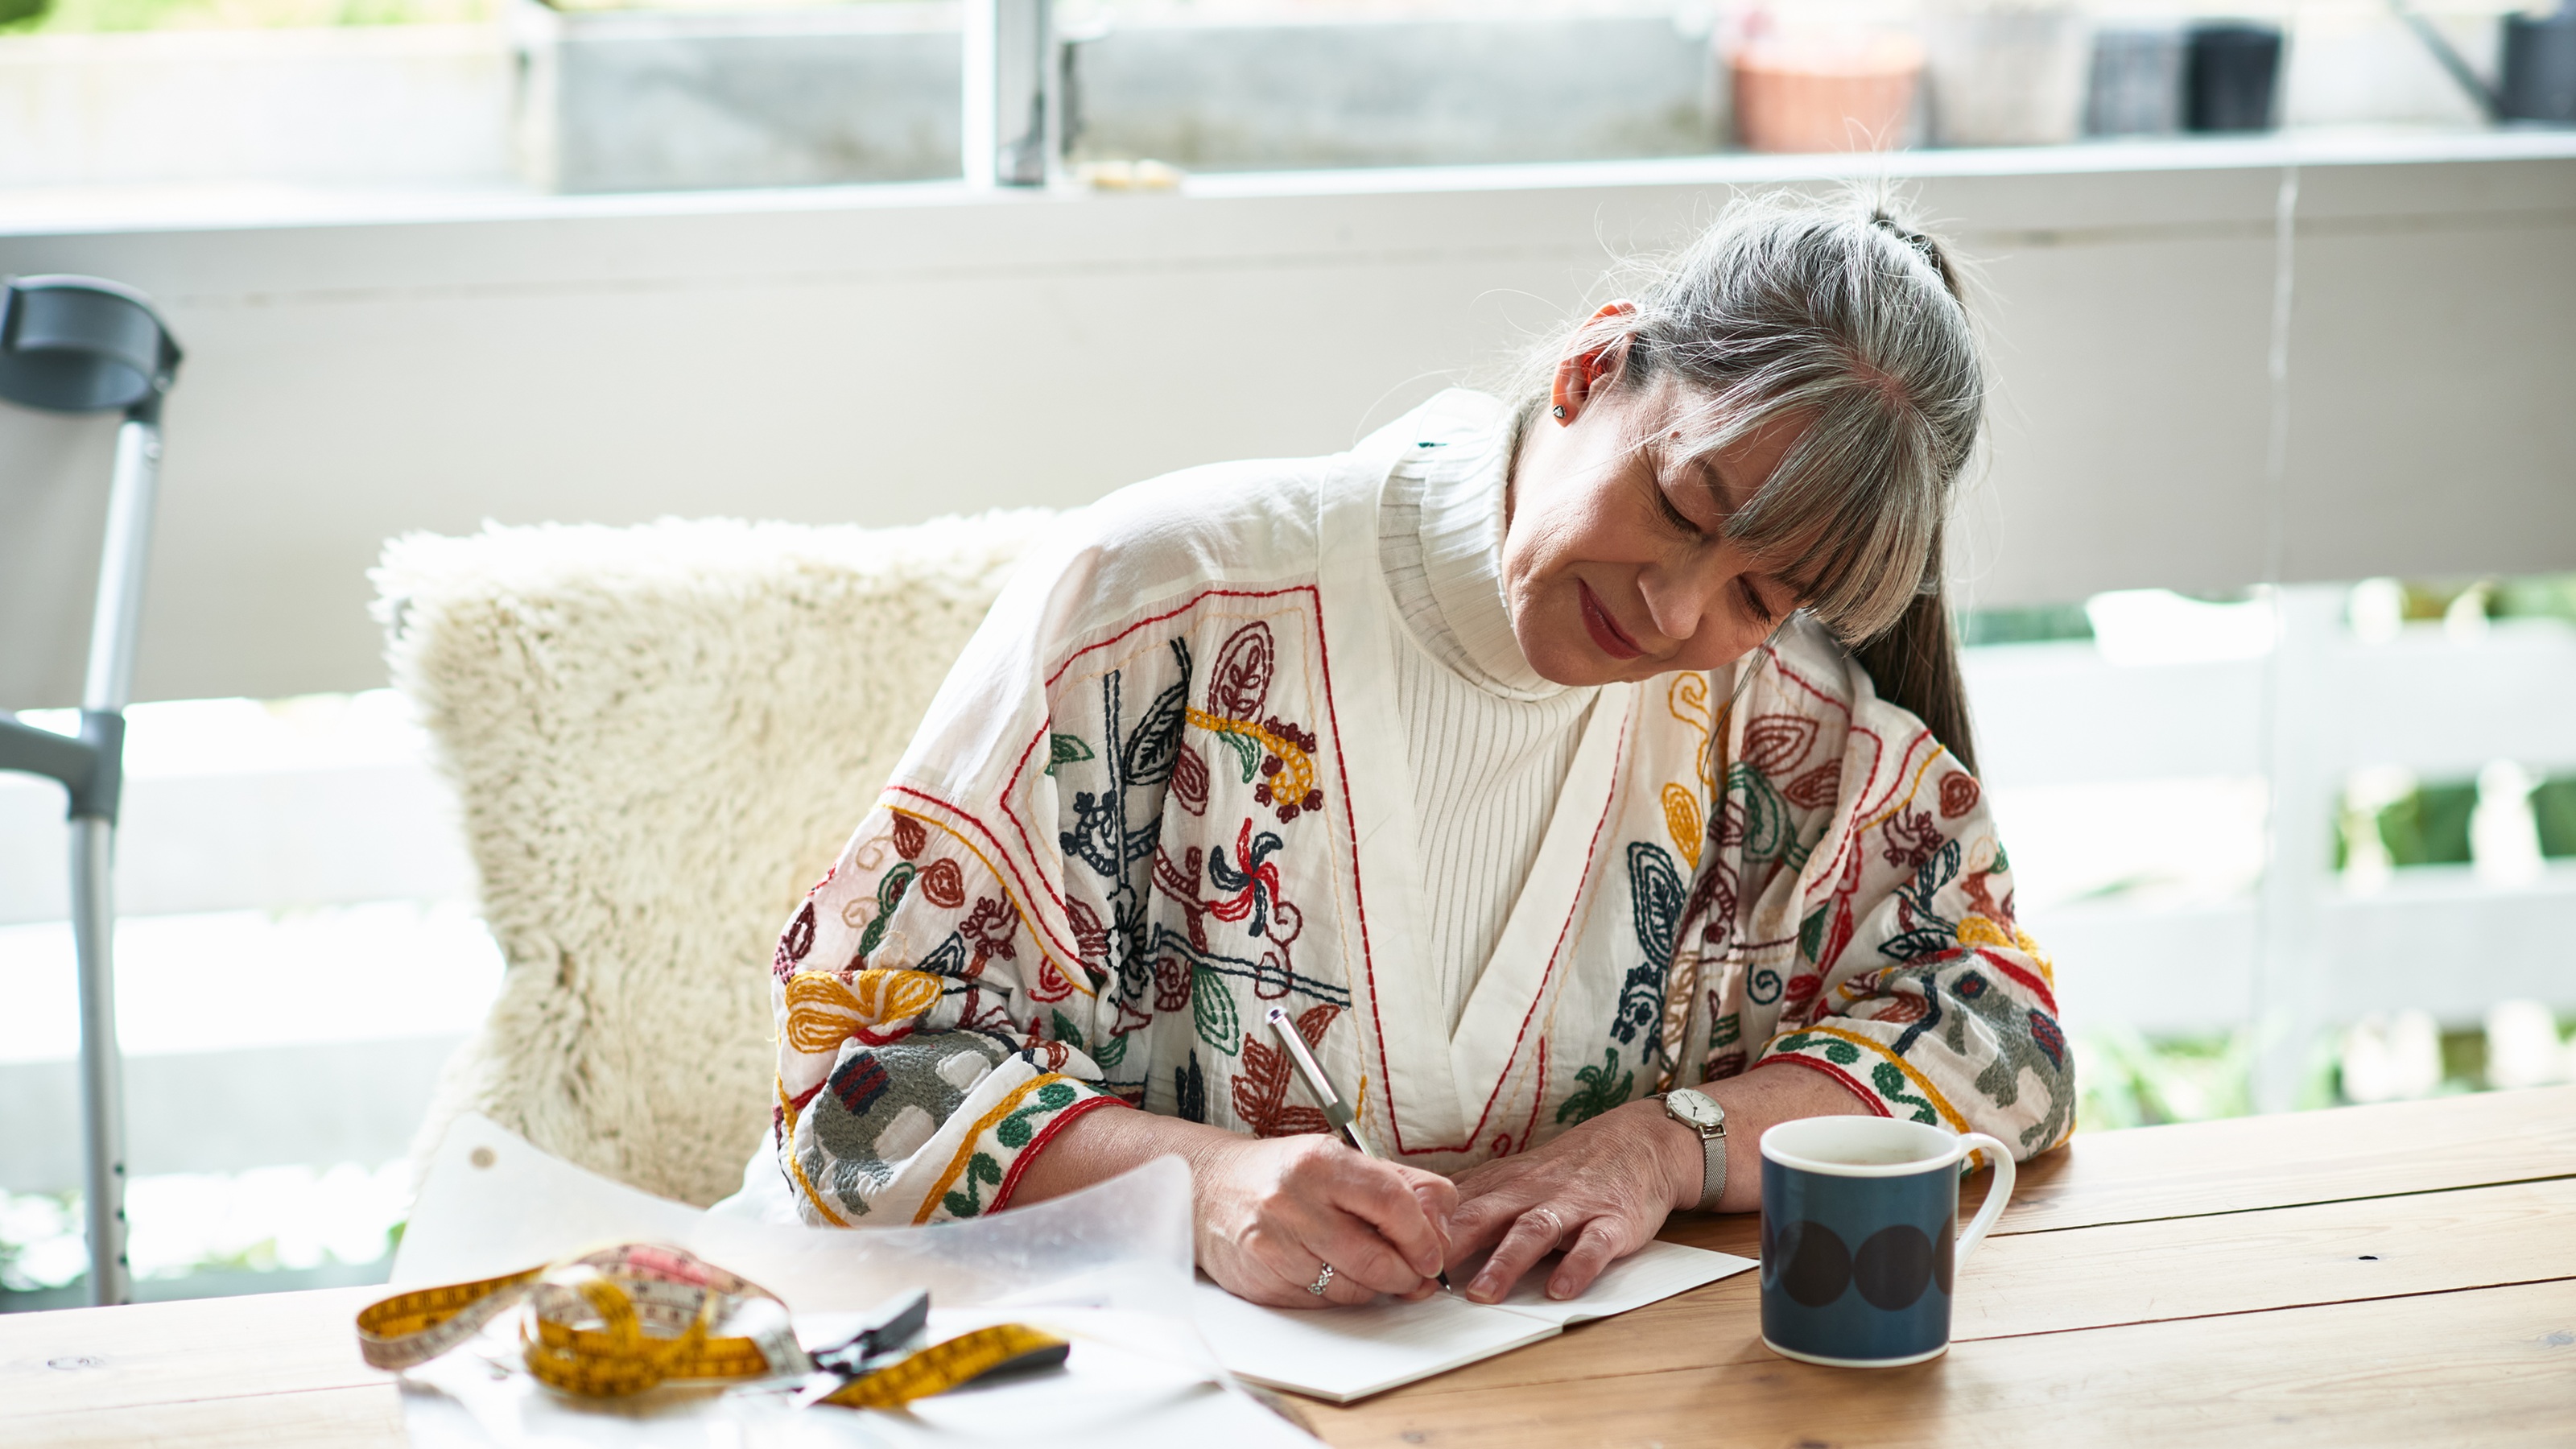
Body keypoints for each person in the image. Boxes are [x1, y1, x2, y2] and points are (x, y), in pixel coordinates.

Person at [749, 192, 2073, 1312]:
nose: (1676, 611)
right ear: (1593, 366)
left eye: (1758, 593)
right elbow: (856, 1084)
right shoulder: (1161, 598)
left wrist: (1668, 1146)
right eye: (1677, 507)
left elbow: (2002, 1033)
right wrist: (1196, 1186)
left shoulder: (1778, 718)